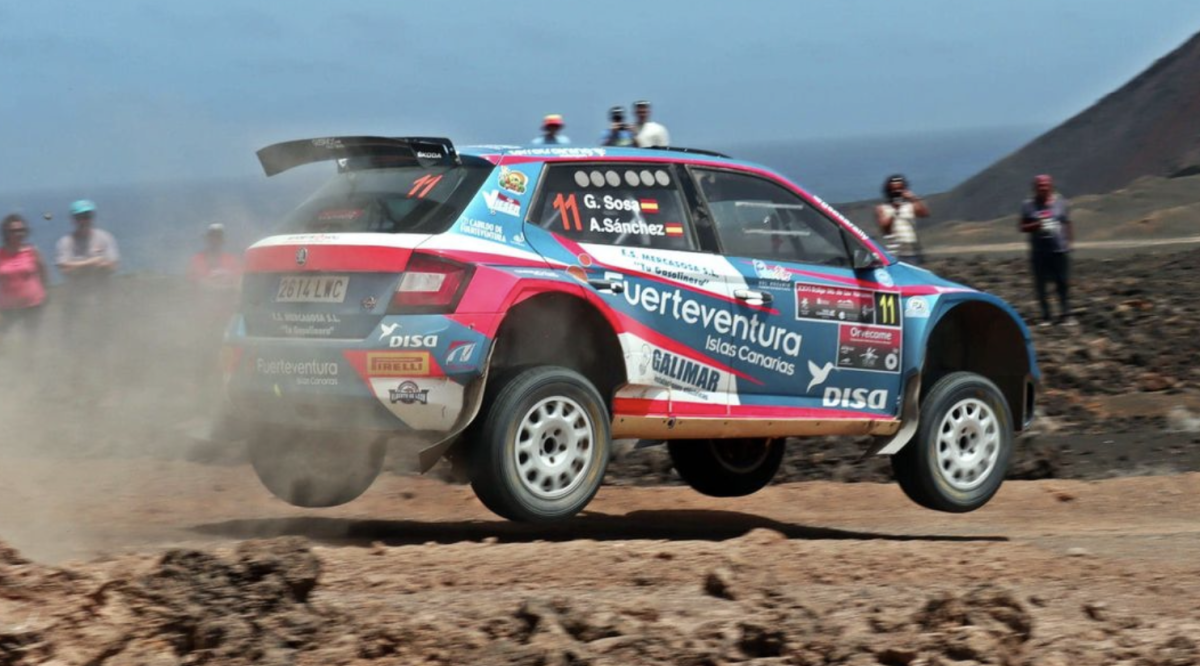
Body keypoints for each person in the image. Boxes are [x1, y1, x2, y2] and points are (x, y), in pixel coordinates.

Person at [188, 223, 242, 407]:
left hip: (226, 319)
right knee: (204, 359)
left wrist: (222, 288)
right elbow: (201, 285)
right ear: (208, 239)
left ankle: (224, 398)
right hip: (204, 319)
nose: (215, 240)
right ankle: (201, 401)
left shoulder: (231, 261)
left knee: (226, 359)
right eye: (212, 236)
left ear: (222, 240)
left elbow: (239, 285)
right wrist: (226, 288)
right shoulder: (198, 260)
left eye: (218, 237)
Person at [1020, 174, 1075, 327]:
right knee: (1041, 285)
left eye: (1045, 185)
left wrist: (1069, 242)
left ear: (1051, 186)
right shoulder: (1028, 205)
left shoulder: (1061, 202)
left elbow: (1067, 223)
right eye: (1040, 185)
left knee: (1062, 283)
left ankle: (1066, 315)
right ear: (1035, 188)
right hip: (1039, 252)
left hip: (1059, 249)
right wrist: (1036, 224)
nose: (1043, 188)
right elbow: (1022, 227)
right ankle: (1046, 317)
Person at [0, 214, 49, 346]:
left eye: (21, 230)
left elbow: (43, 272)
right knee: (4, 339)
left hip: (33, 304)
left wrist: (46, 292)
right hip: (7, 307)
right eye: (14, 231)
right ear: (6, 232)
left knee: (32, 339)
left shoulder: (32, 251)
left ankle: (31, 358)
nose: (18, 234)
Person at [874, 174, 930, 265]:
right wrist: (895, 210)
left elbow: (924, 213)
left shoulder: (910, 206)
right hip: (895, 253)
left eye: (900, 189)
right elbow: (885, 228)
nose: (897, 192)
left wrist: (913, 199)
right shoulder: (882, 208)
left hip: (912, 251)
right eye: (894, 190)